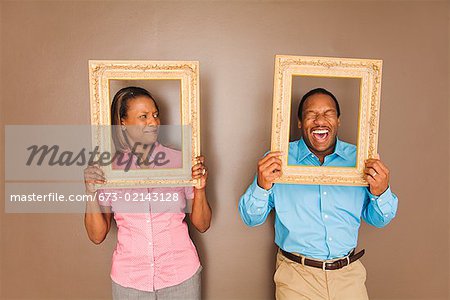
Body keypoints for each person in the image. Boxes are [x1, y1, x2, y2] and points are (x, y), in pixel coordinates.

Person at [239, 88, 398, 299]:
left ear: (338, 120)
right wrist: (262, 185)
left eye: (328, 113)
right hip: (296, 276)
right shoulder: (277, 160)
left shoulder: (361, 160)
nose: (320, 120)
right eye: (311, 114)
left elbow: (379, 220)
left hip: (349, 276)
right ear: (299, 122)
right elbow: (251, 218)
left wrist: (381, 192)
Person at [84, 86, 211, 300]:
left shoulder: (180, 162)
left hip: (181, 277)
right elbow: (97, 235)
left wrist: (200, 187)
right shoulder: (109, 170)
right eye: (143, 116)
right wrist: (90, 191)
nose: (153, 122)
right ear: (123, 122)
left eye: (155, 115)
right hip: (130, 282)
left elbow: (203, 224)